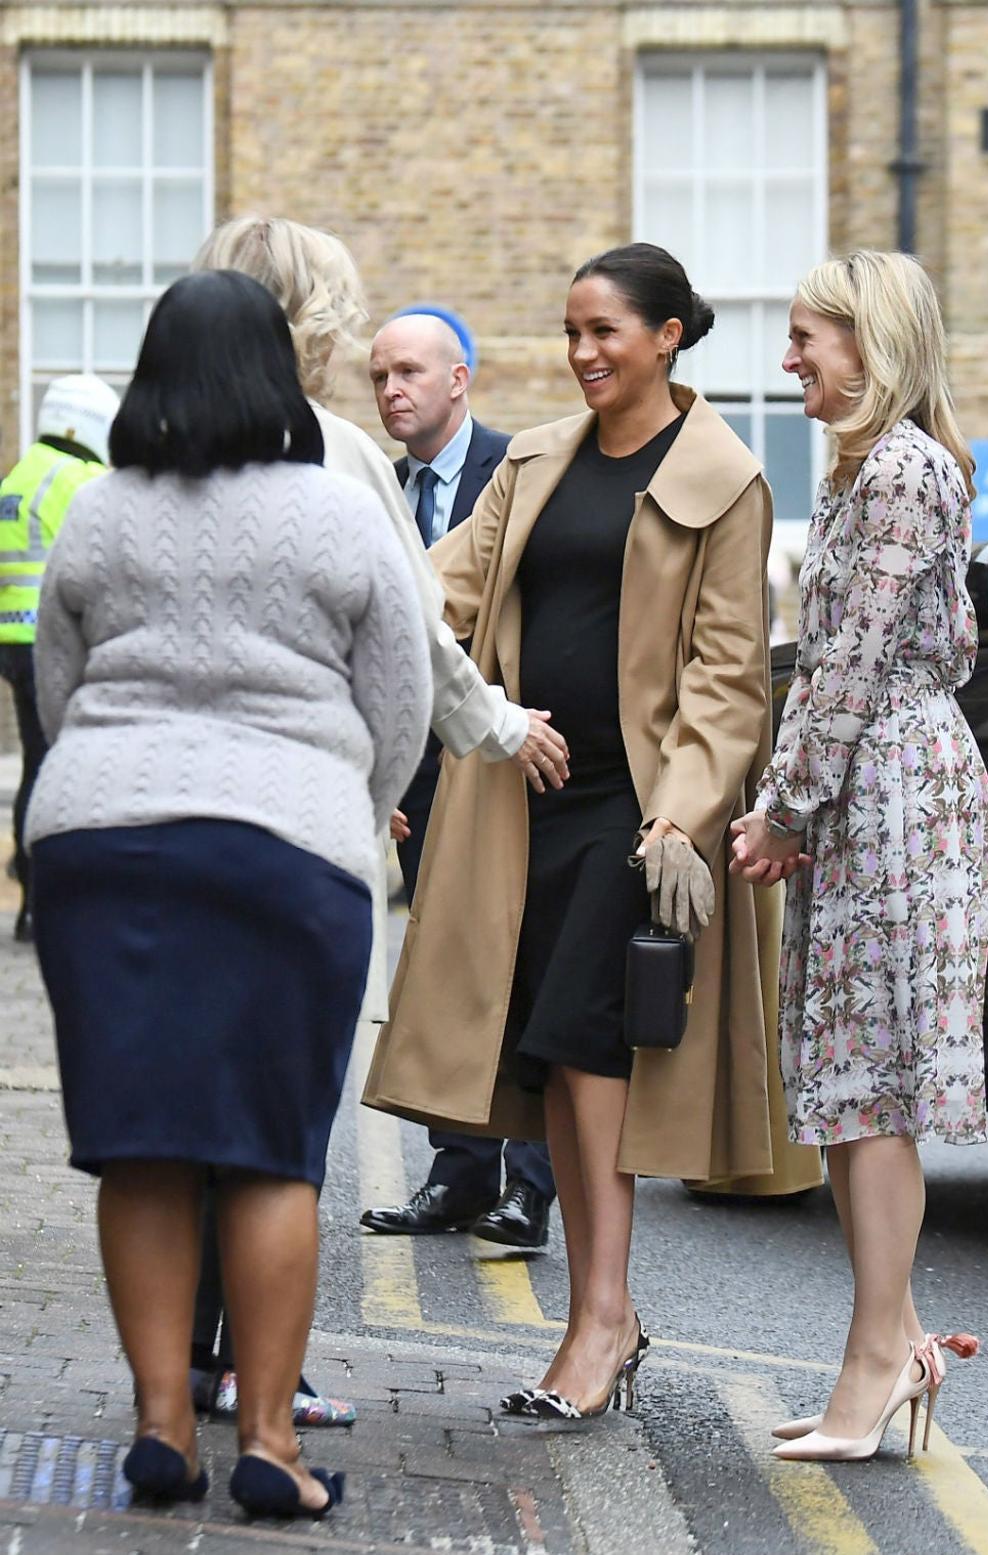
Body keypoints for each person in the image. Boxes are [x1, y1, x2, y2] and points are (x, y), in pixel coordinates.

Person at [27, 269, 432, 1517]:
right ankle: (269, 1443)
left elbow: (59, 684)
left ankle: (162, 1427)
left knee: (141, 1143)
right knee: (268, 1154)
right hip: (283, 848)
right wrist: (341, 814)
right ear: (277, 375)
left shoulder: (96, 511)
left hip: (101, 843)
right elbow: (401, 703)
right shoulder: (340, 512)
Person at [365, 242, 793, 1418]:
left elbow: (727, 678)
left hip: (636, 812)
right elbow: (434, 592)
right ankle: (606, 1312)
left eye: (605, 330)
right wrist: (468, 718)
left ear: (666, 336)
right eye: (570, 332)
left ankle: (600, 1314)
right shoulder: (537, 461)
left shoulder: (724, 477)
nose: (582, 353)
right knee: (552, 1050)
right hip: (526, 800)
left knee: (590, 1042)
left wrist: (681, 817)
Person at [187, 217, 567, 1406]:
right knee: (283, 1120)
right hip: (297, 827)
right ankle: (262, 1385)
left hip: (157, 823)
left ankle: (179, 1375)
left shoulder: (149, 451)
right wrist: (481, 741)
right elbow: (414, 653)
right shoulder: (335, 452)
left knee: (185, 1112)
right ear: (308, 324)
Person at [731, 250, 988, 1463]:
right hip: (870, 789)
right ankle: (900, 1345)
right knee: (846, 1084)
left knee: (869, 1084)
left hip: (894, 794)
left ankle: (876, 1362)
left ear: (870, 341)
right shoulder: (869, 470)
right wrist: (799, 804)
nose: (788, 360)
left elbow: (843, 671)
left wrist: (785, 807)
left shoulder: (897, 471)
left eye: (807, 338)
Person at [360, 311, 555, 1252]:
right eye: (378, 376)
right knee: (438, 966)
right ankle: (459, 1170)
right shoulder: (380, 489)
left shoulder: (521, 471)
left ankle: (532, 1187)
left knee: (519, 968)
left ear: (459, 379)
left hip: (508, 759)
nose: (391, 389)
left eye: (408, 372)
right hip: (428, 773)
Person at [0, 375, 119, 941]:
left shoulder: (20, 475)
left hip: (12, 643)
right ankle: (58, 897)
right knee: (70, 768)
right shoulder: (82, 479)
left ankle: (30, 898)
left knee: (37, 763)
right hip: (61, 643)